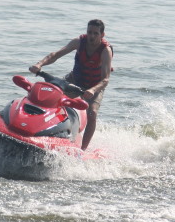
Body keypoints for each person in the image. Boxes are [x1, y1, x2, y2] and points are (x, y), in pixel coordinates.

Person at [29, 19, 113, 150]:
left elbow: (105, 80)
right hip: (74, 79)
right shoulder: (79, 42)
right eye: (89, 32)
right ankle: (35, 128)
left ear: (102, 35)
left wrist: (92, 90)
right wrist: (39, 64)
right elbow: (55, 55)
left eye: (95, 33)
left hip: (95, 86)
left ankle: (82, 150)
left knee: (92, 113)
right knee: (49, 96)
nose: (91, 36)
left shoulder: (105, 51)